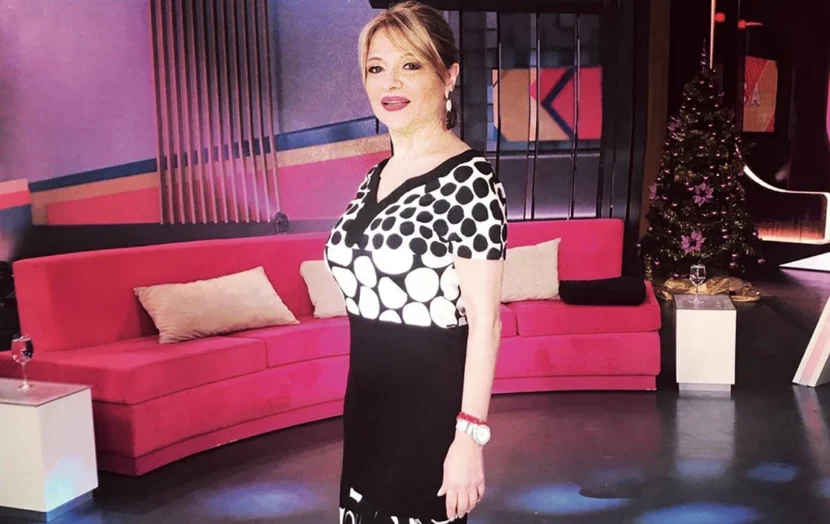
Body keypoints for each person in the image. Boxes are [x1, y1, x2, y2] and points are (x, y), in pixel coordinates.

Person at [324, 2, 507, 522]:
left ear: (448, 76)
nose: (391, 82)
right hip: (366, 407)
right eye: (376, 67)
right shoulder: (375, 177)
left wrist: (469, 438)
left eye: (411, 64)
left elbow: (486, 324)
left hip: (429, 417)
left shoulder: (471, 181)